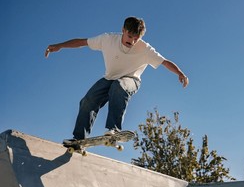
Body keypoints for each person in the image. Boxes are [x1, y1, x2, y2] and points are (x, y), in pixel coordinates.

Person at [45, 16, 189, 144]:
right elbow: (82, 42)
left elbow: (164, 62)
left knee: (119, 86)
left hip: (131, 80)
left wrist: (180, 73)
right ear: (123, 30)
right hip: (109, 78)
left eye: (136, 38)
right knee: (88, 101)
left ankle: (114, 129)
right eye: (130, 36)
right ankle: (78, 139)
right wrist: (59, 46)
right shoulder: (108, 39)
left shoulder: (145, 49)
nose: (132, 41)